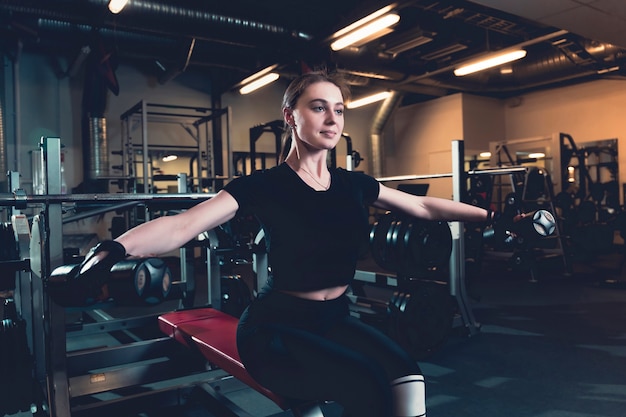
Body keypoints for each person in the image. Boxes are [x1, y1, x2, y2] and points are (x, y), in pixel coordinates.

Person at [68, 70, 494, 417]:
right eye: (319, 107)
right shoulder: (263, 187)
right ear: (291, 116)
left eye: (340, 111)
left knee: (408, 380)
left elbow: (423, 209)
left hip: (336, 319)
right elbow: (184, 226)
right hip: (276, 328)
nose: (333, 119)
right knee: (365, 384)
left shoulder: (354, 185)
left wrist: (491, 216)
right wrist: (112, 251)